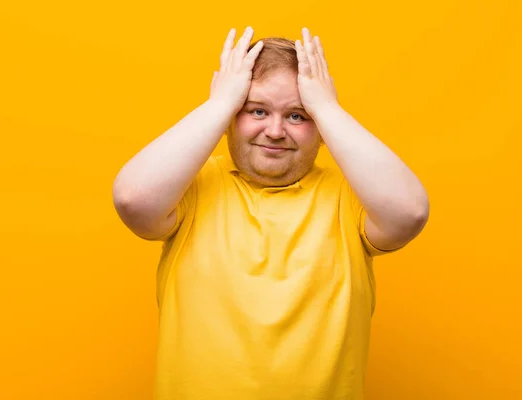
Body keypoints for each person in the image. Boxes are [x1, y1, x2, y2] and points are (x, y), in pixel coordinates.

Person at [113, 26, 429, 400]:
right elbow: (133, 200)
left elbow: (409, 212)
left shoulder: (351, 198)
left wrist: (326, 106)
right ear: (231, 116)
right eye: (257, 110)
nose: (275, 131)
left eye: (297, 116)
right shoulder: (191, 190)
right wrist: (218, 104)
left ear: (323, 129)